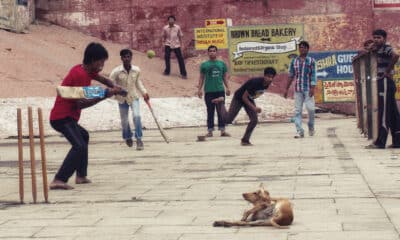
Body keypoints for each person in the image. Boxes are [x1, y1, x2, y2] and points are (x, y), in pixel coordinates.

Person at [49, 42, 124, 190]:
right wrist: (105, 95)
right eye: (101, 61)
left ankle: (81, 176)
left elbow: (102, 79)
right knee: (79, 146)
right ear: (92, 60)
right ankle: (59, 179)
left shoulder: (85, 69)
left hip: (68, 117)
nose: (102, 64)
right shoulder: (79, 75)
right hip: (61, 118)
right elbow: (81, 104)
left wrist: (114, 86)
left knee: (84, 136)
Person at [212, 67, 277, 146]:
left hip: (249, 98)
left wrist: (253, 106)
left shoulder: (267, 84)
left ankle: (245, 140)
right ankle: (220, 103)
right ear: (264, 76)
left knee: (254, 120)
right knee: (228, 120)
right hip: (239, 98)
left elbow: (254, 94)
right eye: (268, 76)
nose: (270, 79)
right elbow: (244, 97)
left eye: (271, 77)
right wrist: (254, 108)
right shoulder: (255, 82)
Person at [364, 29, 400, 149]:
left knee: (383, 113)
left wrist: (387, 71)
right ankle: (397, 141)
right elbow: (367, 48)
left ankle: (380, 142)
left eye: (379, 38)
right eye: (374, 37)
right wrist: (371, 46)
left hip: (385, 82)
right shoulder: (377, 49)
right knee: (393, 112)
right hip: (386, 83)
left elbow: (396, 55)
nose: (376, 39)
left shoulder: (386, 48)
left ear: (384, 39)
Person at [110, 49, 149, 150]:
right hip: (121, 99)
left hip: (133, 97)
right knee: (124, 121)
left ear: (131, 58)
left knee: (137, 116)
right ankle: (127, 136)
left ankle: (139, 139)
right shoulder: (116, 71)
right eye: (124, 57)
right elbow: (110, 83)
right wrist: (115, 90)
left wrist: (144, 92)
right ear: (121, 58)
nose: (127, 59)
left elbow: (138, 83)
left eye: (128, 57)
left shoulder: (136, 70)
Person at [197, 45, 231, 137]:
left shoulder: (222, 64)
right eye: (210, 51)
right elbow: (201, 78)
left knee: (221, 111)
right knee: (210, 111)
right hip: (209, 91)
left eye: (214, 51)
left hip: (220, 91)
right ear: (208, 53)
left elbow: (224, 77)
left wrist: (228, 88)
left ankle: (222, 130)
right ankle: (210, 131)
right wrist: (199, 89)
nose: (212, 52)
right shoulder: (204, 65)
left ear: (217, 52)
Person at [285, 41, 316, 138]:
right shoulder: (294, 61)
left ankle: (311, 126)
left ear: (307, 49)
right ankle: (299, 131)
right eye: (300, 47)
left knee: (311, 109)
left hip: (308, 89)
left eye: (304, 47)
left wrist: (313, 87)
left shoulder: (311, 61)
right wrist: (286, 89)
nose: (302, 49)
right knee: (298, 111)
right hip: (298, 89)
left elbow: (313, 75)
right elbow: (291, 76)